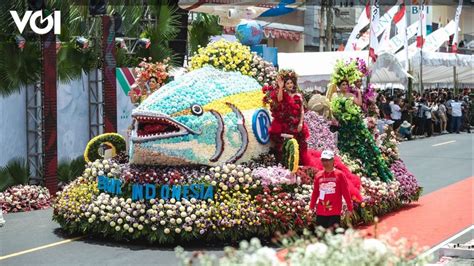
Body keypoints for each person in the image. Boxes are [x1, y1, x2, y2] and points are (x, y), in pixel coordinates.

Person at [268, 70, 310, 164]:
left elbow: (302, 111)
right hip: (286, 125)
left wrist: (300, 123)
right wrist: (280, 87)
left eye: (291, 82)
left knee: (298, 146)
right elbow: (279, 99)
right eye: (288, 83)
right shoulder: (283, 94)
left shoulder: (299, 95)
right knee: (284, 145)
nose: (290, 85)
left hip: (297, 124)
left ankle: (298, 164)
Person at [310, 150, 353, 229]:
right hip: (321, 211)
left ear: (333, 160)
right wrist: (311, 207)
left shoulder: (340, 175)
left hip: (334, 212)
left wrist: (350, 208)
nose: (325, 162)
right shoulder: (318, 175)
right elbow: (315, 192)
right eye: (323, 160)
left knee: (332, 236)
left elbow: (345, 192)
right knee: (321, 235)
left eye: (327, 160)